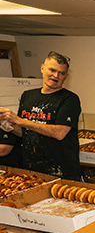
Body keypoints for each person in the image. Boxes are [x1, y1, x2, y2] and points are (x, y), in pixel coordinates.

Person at [0, 51, 82, 180]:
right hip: (32, 169)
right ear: (42, 68)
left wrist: (20, 121)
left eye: (61, 73)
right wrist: (6, 124)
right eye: (52, 70)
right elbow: (24, 133)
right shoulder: (28, 96)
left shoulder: (69, 99)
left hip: (61, 171)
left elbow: (60, 133)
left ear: (66, 76)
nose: (56, 75)